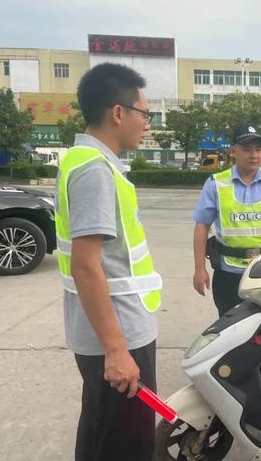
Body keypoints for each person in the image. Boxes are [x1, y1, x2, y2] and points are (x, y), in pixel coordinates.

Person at [54, 63, 162, 461]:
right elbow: (86, 266)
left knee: (104, 433)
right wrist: (117, 351)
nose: (146, 125)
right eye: (145, 114)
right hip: (118, 337)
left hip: (115, 329)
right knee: (126, 443)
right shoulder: (95, 171)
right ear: (118, 112)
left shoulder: (87, 162)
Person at [192, 125, 261, 403]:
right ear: (233, 152)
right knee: (228, 327)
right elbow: (202, 226)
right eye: (247, 149)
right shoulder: (217, 184)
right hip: (227, 270)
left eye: (259, 149)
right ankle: (229, 375)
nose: (254, 155)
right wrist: (199, 268)